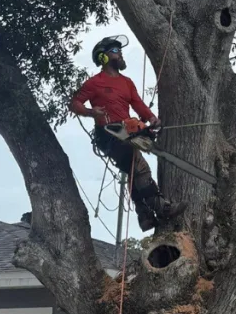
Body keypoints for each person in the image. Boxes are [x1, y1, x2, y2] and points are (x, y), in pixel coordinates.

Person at [70, 35, 184, 232]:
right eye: (115, 51)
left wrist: (151, 118)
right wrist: (91, 112)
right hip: (108, 134)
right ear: (104, 58)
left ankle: (145, 216)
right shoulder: (94, 83)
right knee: (139, 167)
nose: (120, 54)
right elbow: (74, 103)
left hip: (127, 131)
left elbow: (137, 104)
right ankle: (160, 207)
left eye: (119, 51)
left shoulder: (127, 82)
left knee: (133, 171)